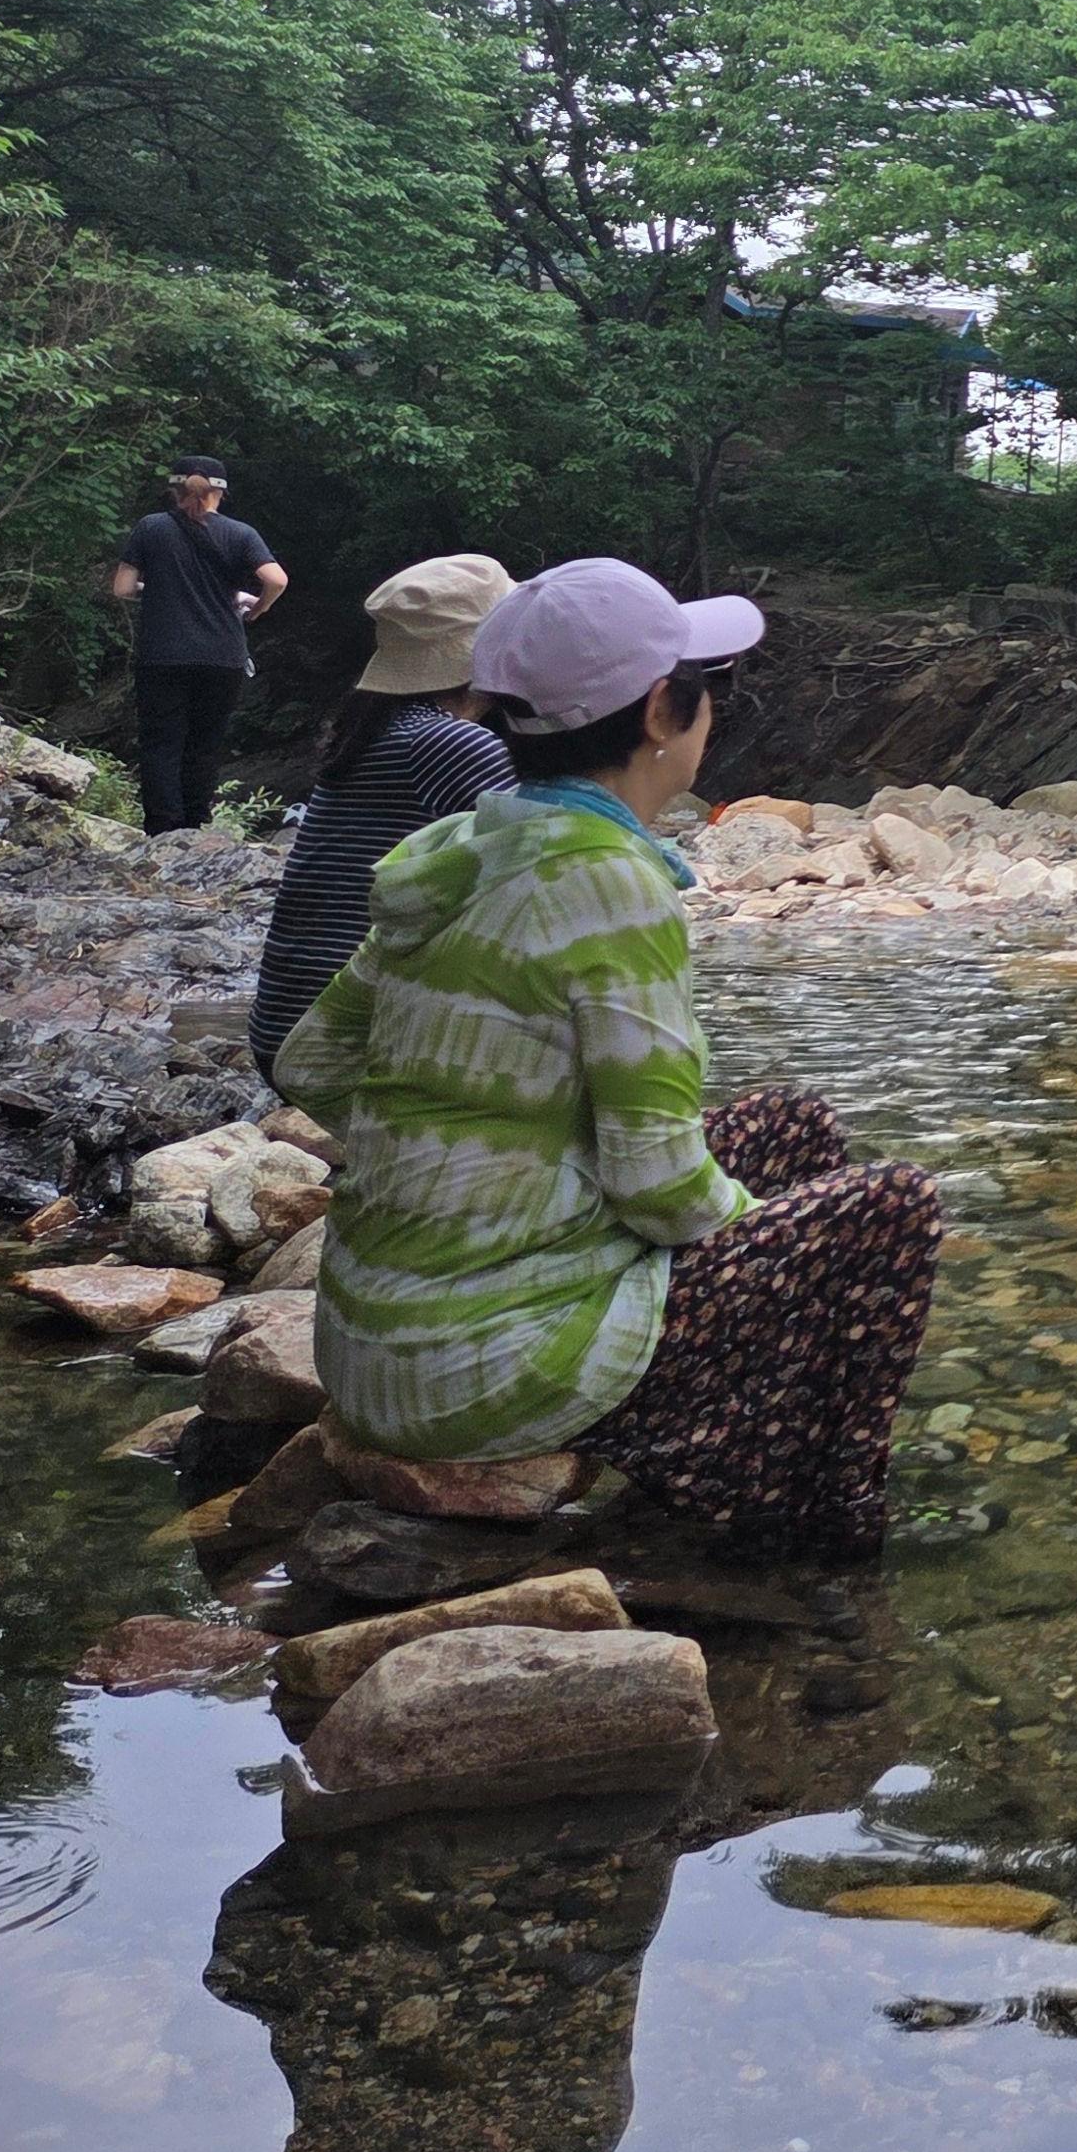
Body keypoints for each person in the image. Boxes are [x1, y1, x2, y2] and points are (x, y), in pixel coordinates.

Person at [278, 558, 942, 1561]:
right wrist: (786, 1266)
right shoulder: (611, 884)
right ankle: (810, 1536)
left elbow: (311, 1063)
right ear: (661, 713)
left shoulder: (462, 848)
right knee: (889, 1209)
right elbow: (661, 1186)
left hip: (368, 1354)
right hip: (477, 1376)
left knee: (790, 1127)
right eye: (700, 687)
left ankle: (717, 1453)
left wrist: (472, 1163)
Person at [246, 552, 520, 1076]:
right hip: (341, 1051)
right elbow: (565, 872)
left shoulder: (375, 729)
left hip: (287, 1031)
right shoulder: (447, 743)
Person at [108, 454, 288, 834]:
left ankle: (162, 829)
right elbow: (277, 580)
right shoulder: (241, 534)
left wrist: (157, 590)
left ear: (174, 490)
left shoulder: (151, 527)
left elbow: (123, 588)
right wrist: (256, 609)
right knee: (205, 742)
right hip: (222, 656)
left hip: (163, 654)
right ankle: (195, 824)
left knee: (161, 743)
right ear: (220, 494)